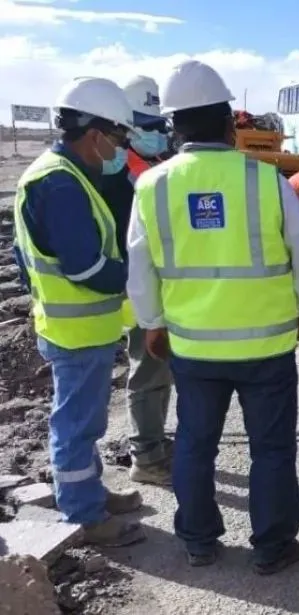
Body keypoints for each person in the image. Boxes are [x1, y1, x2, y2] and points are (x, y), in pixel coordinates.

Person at [127, 60, 299, 573]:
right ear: (227, 124)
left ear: (175, 127)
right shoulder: (264, 179)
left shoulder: (151, 186)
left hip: (193, 349)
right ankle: (273, 546)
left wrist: (152, 321)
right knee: (272, 450)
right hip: (265, 348)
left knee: (194, 445)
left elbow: (139, 263)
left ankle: (198, 541)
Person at [11, 76, 146, 547]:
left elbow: (19, 255)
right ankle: (84, 516)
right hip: (77, 330)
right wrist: (139, 276)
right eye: (120, 137)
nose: (121, 147)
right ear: (96, 133)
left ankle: (90, 492)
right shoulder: (61, 184)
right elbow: (86, 267)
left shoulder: (59, 175)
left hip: (77, 325)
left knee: (86, 420)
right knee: (75, 423)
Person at [99, 74, 175, 485]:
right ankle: (146, 458)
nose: (158, 134)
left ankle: (154, 443)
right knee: (148, 372)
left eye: (158, 126)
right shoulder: (118, 172)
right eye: (148, 128)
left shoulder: (144, 165)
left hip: (155, 285)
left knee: (159, 372)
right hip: (138, 288)